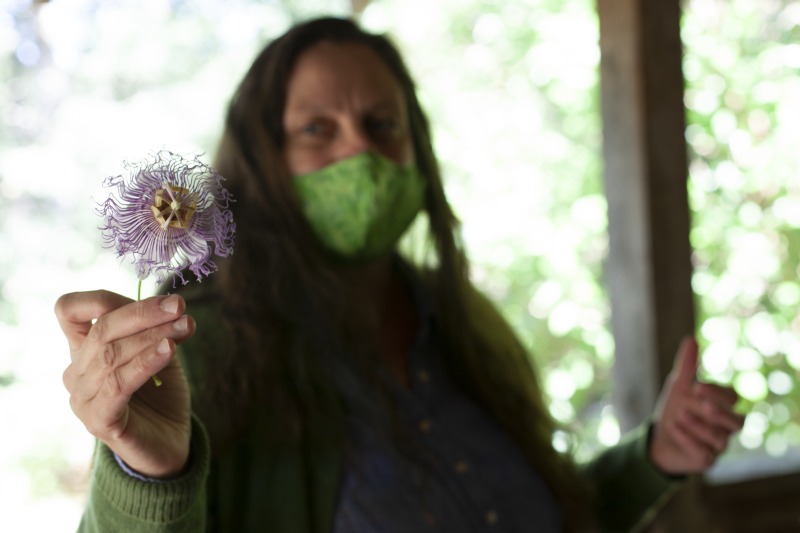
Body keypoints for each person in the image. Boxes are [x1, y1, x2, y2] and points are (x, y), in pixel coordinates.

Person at [55, 17, 745, 533]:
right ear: (262, 162)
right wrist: (145, 475)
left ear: (417, 152)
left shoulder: (467, 324)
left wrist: (653, 455)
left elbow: (543, 511)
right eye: (318, 129)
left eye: (381, 122)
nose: (360, 148)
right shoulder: (192, 345)